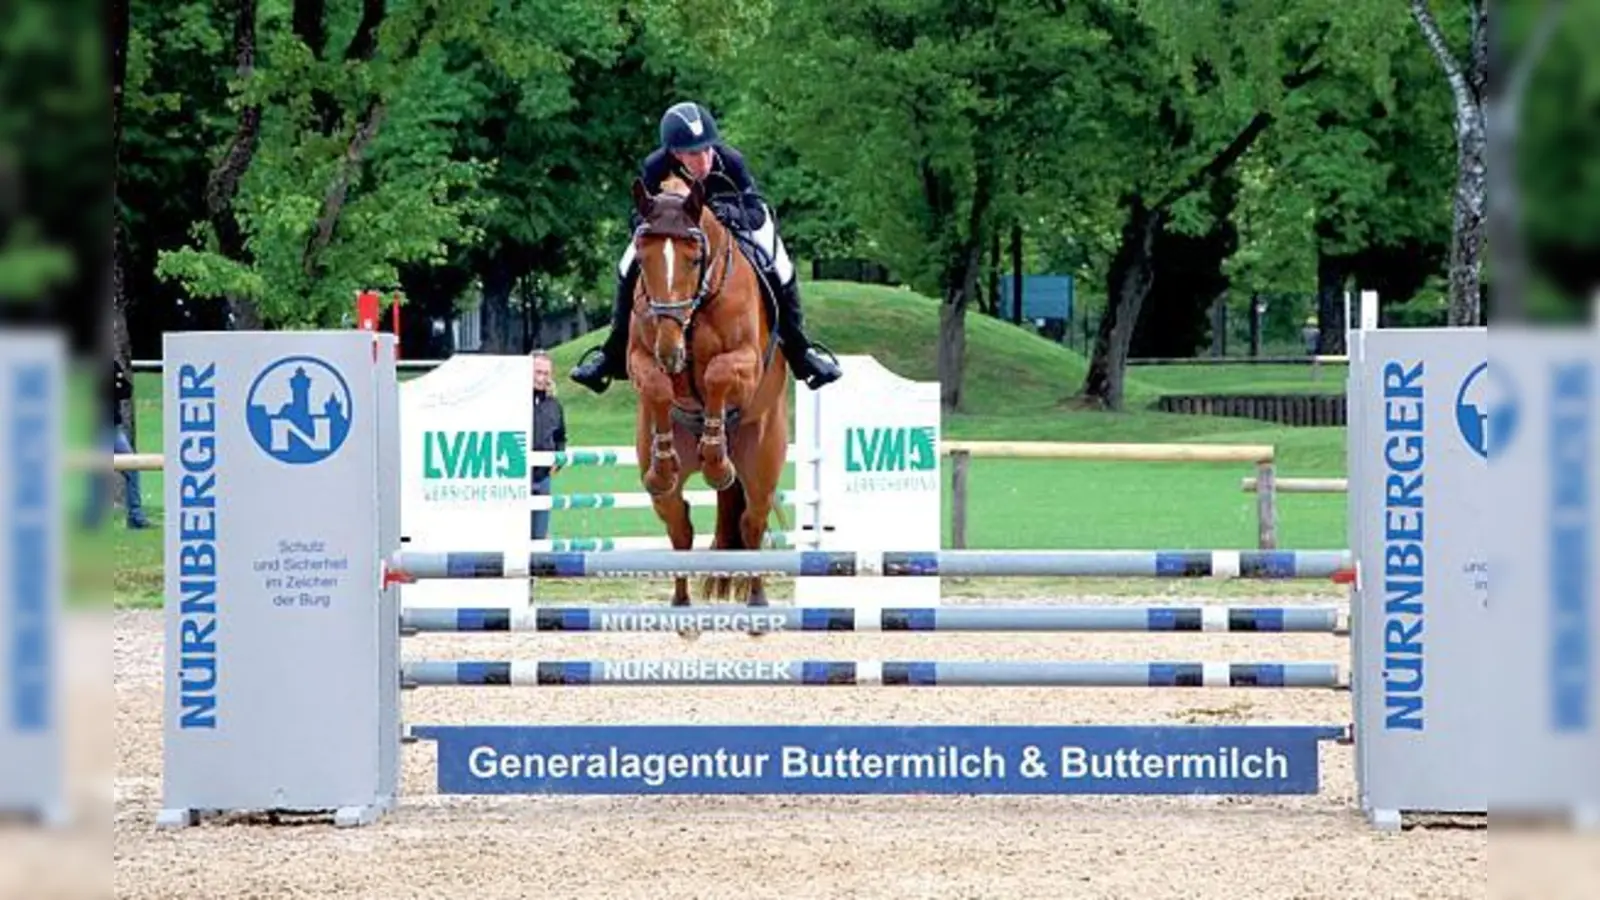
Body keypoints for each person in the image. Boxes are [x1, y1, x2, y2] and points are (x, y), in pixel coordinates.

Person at [570, 100, 842, 394]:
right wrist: (662, 217)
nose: (704, 159)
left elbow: (756, 212)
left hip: (734, 230)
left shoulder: (731, 161)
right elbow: (638, 216)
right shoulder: (656, 166)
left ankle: (801, 350)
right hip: (677, 237)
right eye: (693, 153)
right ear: (675, 153)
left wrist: (727, 214)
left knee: (782, 266)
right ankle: (611, 353)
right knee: (627, 266)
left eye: (707, 149)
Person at [83, 357, 150, 530]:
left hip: (115, 429)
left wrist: (117, 383)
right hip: (102, 428)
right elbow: (102, 391)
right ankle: (92, 517)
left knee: (132, 467)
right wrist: (117, 383)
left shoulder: (113, 364)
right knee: (99, 472)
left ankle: (135, 516)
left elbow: (127, 390)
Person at [529, 350, 566, 541]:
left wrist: (559, 459)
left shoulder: (554, 405)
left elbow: (561, 437)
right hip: (516, 477)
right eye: (537, 372)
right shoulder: (511, 401)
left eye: (546, 373)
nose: (541, 378)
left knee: (539, 536)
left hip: (543, 477)